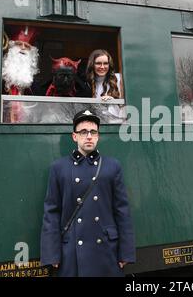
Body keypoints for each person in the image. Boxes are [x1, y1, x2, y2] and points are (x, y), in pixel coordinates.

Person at [40, 109, 135, 277]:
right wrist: (51, 253)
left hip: (106, 250)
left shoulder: (112, 166)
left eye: (93, 132)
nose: (89, 136)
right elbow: (51, 212)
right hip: (71, 253)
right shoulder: (59, 168)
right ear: (74, 136)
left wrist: (126, 252)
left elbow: (122, 211)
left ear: (98, 136)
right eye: (83, 132)